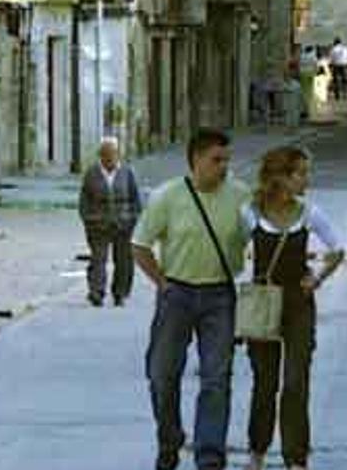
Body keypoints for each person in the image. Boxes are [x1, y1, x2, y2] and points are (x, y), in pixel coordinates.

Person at [132, 128, 251, 470]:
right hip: (177, 295)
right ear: (196, 160)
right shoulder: (168, 196)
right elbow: (140, 244)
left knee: (216, 377)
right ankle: (169, 439)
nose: (224, 167)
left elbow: (258, 235)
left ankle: (209, 454)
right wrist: (161, 282)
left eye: (227, 160)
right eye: (216, 160)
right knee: (162, 374)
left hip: (220, 296)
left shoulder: (240, 196)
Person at [241, 146, 346, 470]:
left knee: (296, 381)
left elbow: (338, 248)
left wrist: (318, 278)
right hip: (263, 302)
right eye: (300, 173)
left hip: (299, 304)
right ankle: (257, 452)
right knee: (265, 382)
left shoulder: (309, 212)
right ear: (279, 177)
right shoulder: (252, 213)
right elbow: (232, 251)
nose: (306, 180)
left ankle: (296, 458)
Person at [78, 140, 142, 307]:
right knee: (98, 259)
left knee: (124, 261)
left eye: (112, 156)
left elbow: (136, 199)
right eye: (106, 156)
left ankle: (120, 294)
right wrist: (89, 219)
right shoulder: (92, 173)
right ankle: (96, 292)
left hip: (124, 223)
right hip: (98, 224)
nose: (109, 160)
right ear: (100, 156)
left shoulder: (127, 172)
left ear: (118, 155)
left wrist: (133, 218)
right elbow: (84, 200)